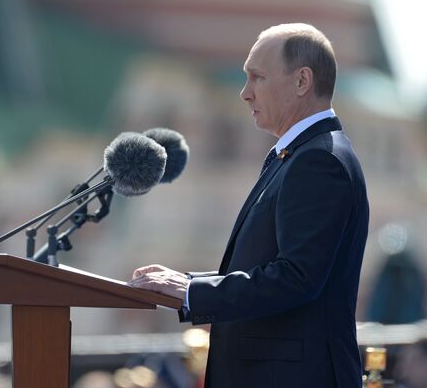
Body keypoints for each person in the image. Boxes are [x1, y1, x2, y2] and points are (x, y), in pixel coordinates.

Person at [128, 23, 369, 388]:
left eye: (257, 78)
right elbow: (266, 266)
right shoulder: (298, 155)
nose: (245, 93)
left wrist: (194, 292)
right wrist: (187, 283)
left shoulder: (318, 161)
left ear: (302, 81)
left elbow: (296, 277)